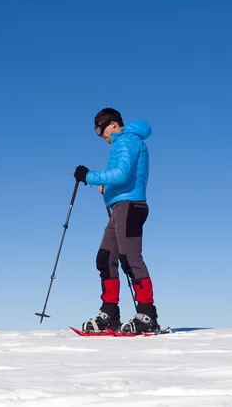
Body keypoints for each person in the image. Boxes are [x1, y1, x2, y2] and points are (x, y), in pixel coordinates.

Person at [73, 108, 160, 335]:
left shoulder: (127, 141)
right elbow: (122, 177)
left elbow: (121, 174)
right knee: (105, 257)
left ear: (113, 124)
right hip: (120, 207)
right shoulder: (122, 144)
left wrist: (90, 176)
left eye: (100, 129)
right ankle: (110, 313)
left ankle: (147, 315)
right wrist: (107, 188)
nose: (100, 134)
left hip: (130, 206)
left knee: (130, 258)